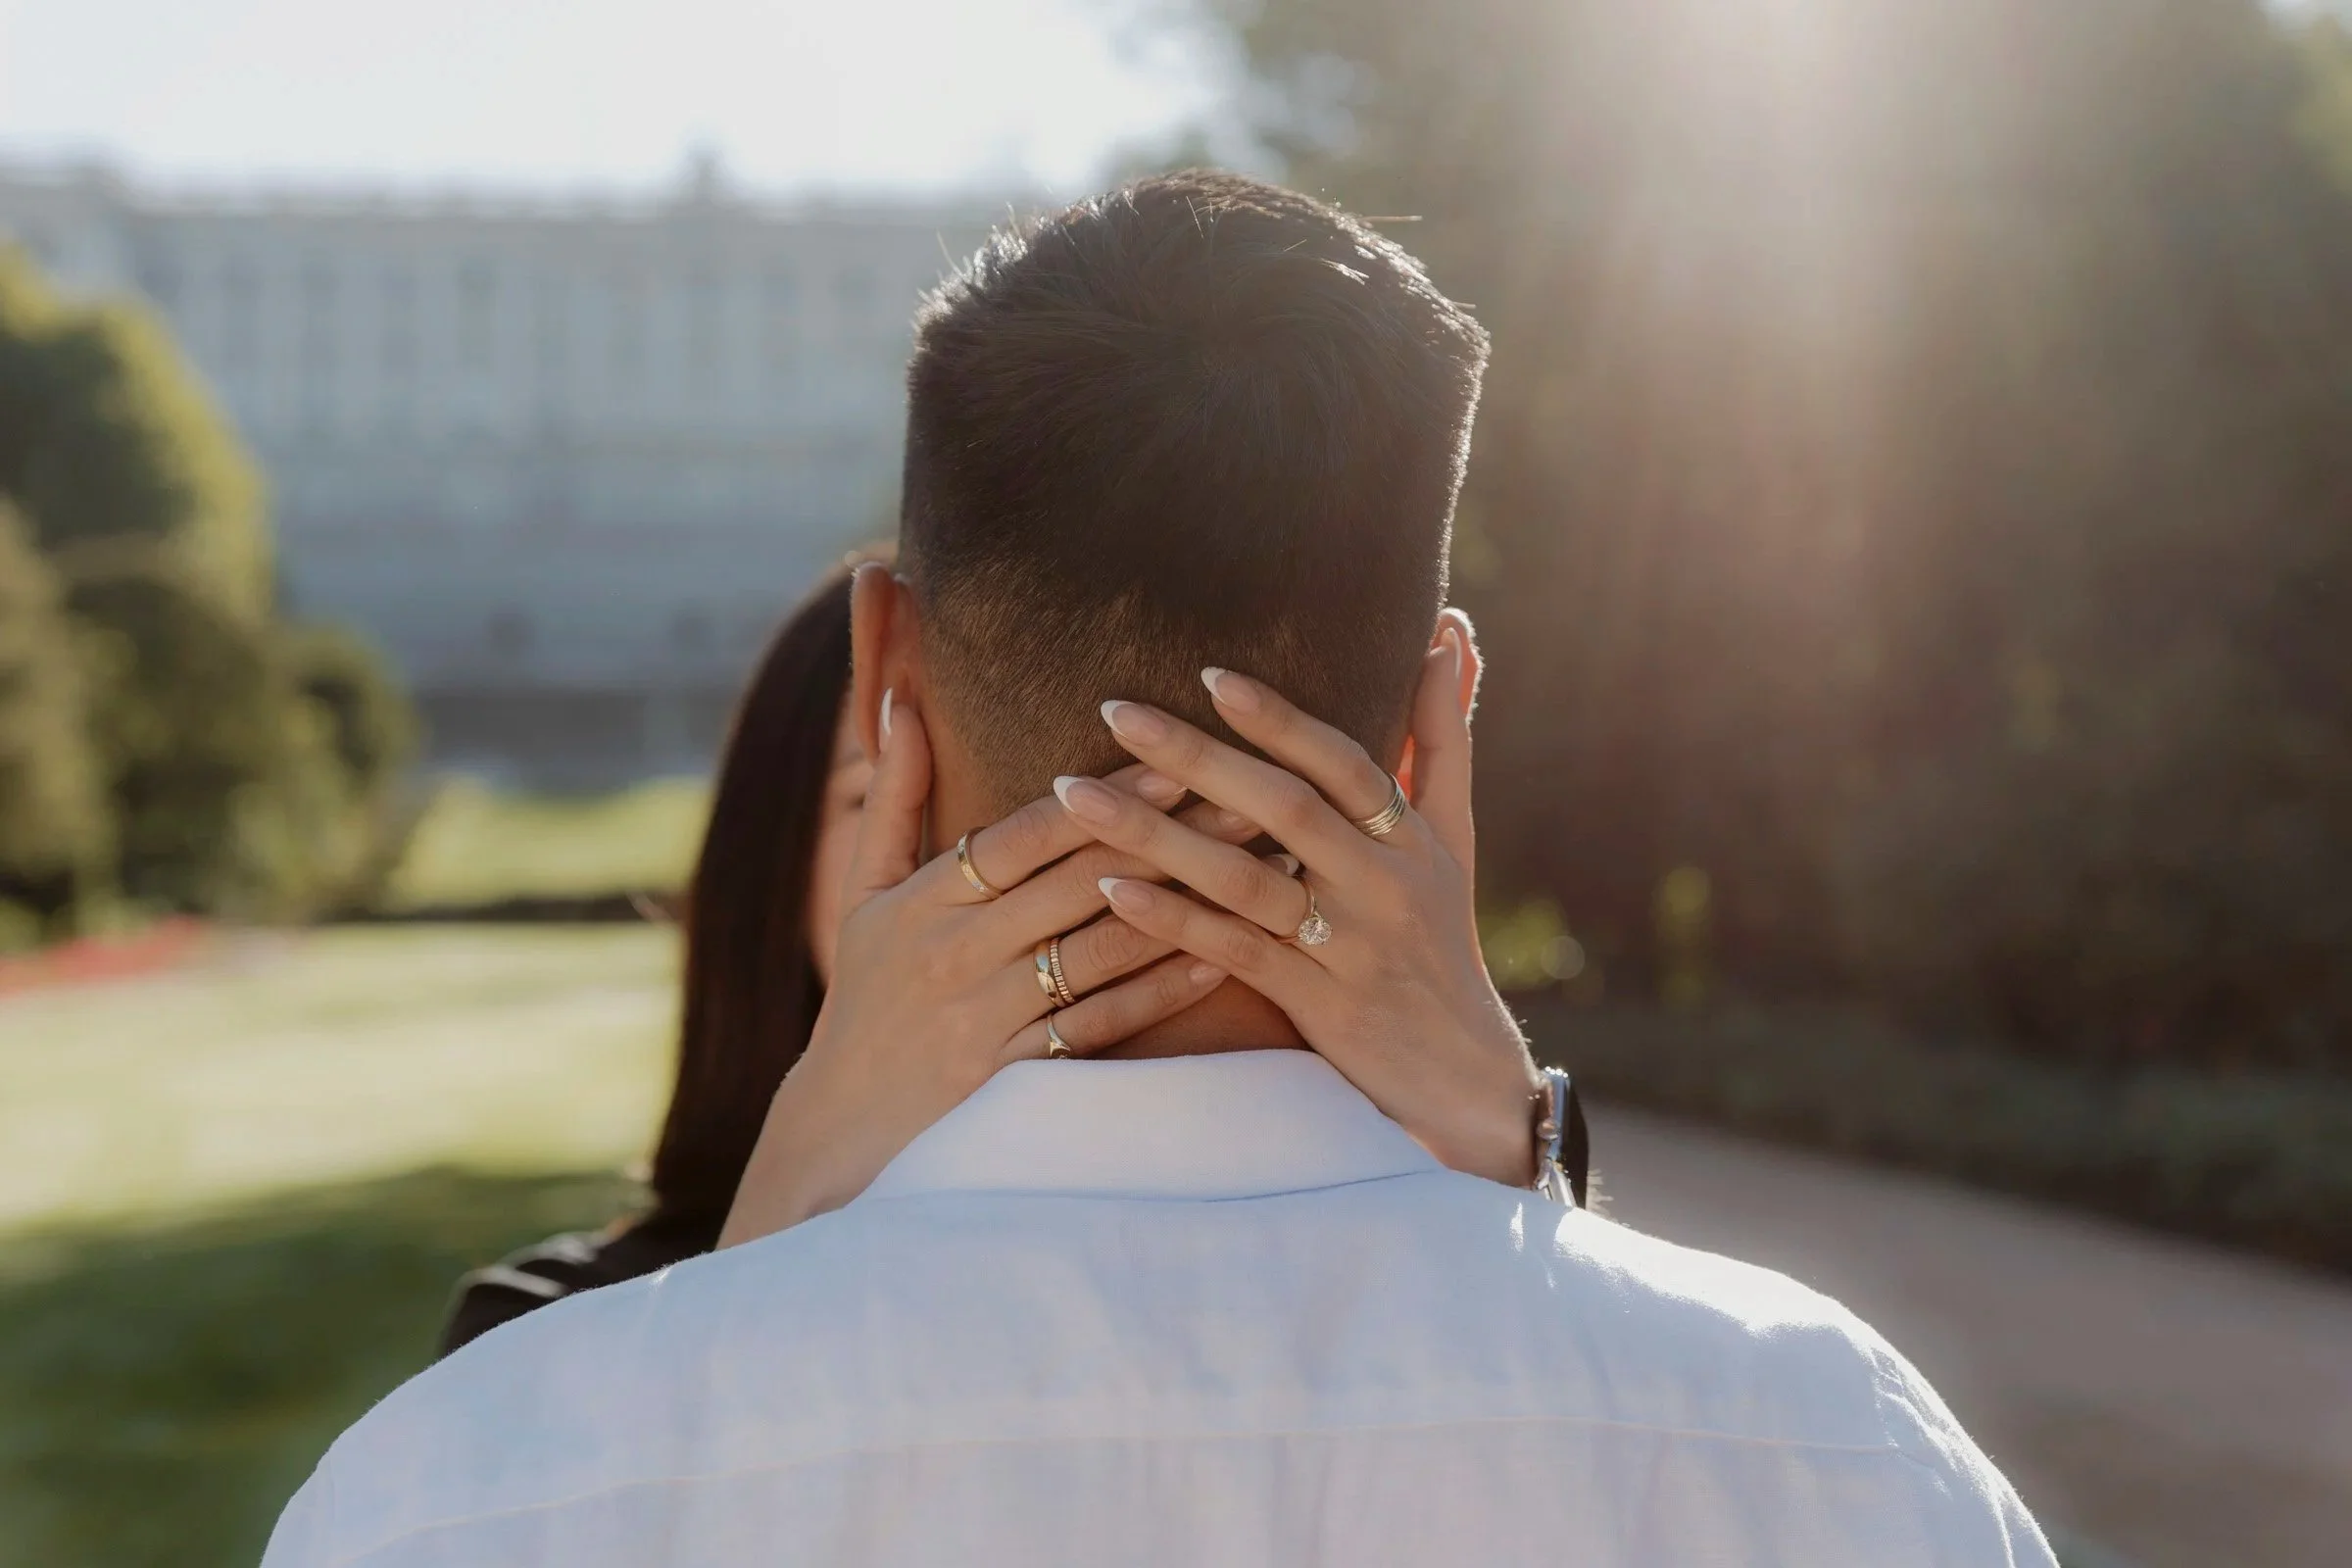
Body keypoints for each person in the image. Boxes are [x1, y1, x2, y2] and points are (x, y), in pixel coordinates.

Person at [262, 172, 2053, 1566]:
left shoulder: (453, 1493)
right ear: (1429, 725)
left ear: (888, 678)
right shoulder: (1842, 1452)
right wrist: (1525, 1192)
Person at [440, 556, 1263, 1354]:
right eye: (877, 797)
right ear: (772, 860)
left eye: (1010, 798)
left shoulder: (1233, 1250)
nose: (962, 854)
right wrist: (793, 1188)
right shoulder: (536, 1338)